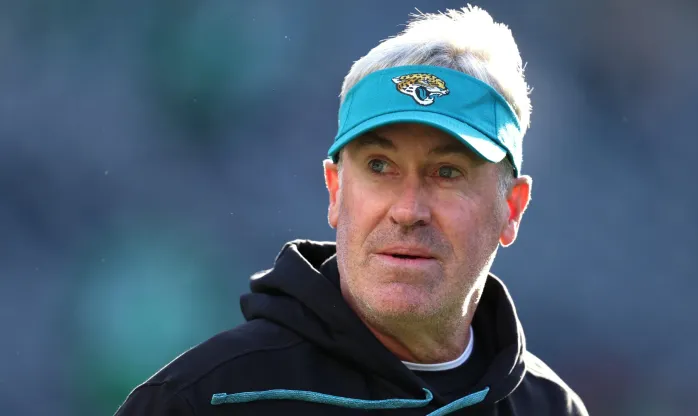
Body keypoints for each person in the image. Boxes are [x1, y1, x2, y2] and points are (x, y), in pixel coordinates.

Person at [115, 5, 588, 415]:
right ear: (335, 191)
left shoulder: (552, 409)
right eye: (380, 166)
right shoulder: (202, 402)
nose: (408, 210)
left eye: (447, 172)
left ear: (512, 207)